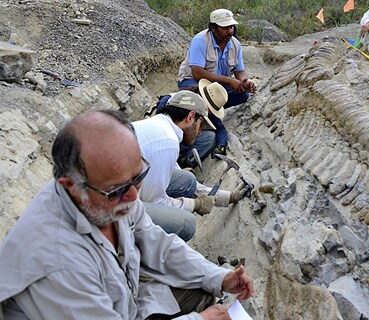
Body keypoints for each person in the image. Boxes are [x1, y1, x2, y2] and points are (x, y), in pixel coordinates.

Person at [0, 110, 254, 319]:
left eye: (138, 176)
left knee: (202, 291)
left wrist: (219, 276)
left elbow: (158, 243)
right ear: (71, 186)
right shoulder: (56, 262)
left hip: (125, 303)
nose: (133, 196)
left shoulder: (108, 197)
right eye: (119, 188)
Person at [134, 90, 247, 242]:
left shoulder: (160, 125)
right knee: (186, 224)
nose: (200, 132)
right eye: (201, 125)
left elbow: (178, 173)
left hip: (113, 190)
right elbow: (155, 202)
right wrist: (194, 204)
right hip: (105, 211)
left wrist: (225, 197)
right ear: (190, 117)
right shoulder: (167, 142)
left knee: (186, 179)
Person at [177, 8, 257, 157]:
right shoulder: (200, 41)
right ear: (213, 27)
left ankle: (208, 110)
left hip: (216, 85)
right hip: (192, 82)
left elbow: (239, 71)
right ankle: (212, 120)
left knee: (243, 96)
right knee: (206, 100)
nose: (229, 31)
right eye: (225, 27)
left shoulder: (235, 44)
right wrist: (229, 80)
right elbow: (197, 72)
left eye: (231, 27)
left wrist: (244, 81)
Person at [178, 79, 229, 168]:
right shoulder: (181, 100)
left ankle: (184, 163)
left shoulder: (207, 112)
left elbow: (220, 129)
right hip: (168, 139)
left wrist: (221, 146)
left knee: (210, 137)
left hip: (183, 143)